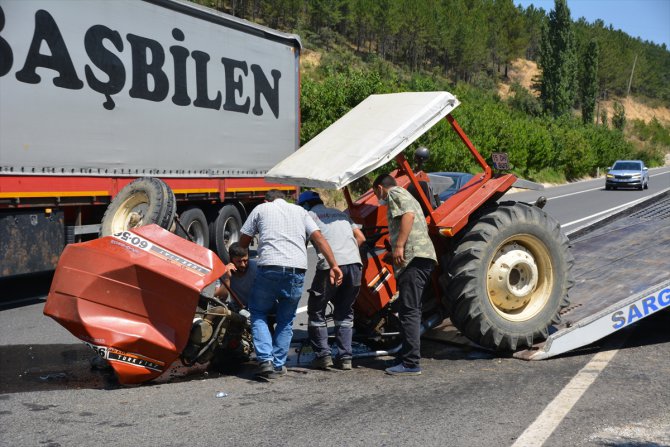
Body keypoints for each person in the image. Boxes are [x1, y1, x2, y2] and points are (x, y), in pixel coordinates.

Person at [239, 189, 343, 380]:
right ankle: (278, 365)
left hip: (269, 268)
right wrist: (334, 265)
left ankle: (265, 360)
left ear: (266, 200)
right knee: (286, 319)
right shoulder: (301, 212)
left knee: (259, 312)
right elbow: (319, 239)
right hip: (296, 270)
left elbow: (243, 241)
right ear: (285, 199)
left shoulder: (262, 209)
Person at [372, 174, 437, 376]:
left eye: (376, 194)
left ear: (381, 188)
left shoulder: (395, 194)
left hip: (413, 259)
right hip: (420, 256)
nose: (378, 198)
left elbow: (407, 216)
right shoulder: (407, 195)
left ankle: (410, 363)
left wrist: (399, 245)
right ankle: (406, 356)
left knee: (409, 311)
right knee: (409, 309)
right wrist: (395, 251)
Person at [297, 191, 366, 371]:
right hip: (354, 265)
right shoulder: (340, 213)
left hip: (331, 267)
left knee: (317, 309)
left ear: (305, 205)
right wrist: (346, 252)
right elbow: (361, 237)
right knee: (344, 312)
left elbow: (302, 243)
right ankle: (345, 358)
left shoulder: (309, 215)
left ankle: (323, 356)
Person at [214, 242, 257, 308]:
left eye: (245, 260)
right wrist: (227, 278)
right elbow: (219, 299)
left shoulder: (257, 267)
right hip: (239, 309)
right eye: (239, 261)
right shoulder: (224, 272)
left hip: (259, 307)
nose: (243, 265)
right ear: (231, 260)